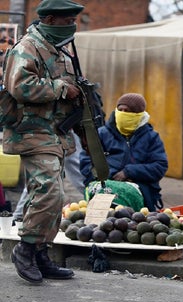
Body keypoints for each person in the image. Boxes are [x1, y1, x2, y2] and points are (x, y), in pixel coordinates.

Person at [2, 0, 85, 283]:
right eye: (66, 21)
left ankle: (39, 252)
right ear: (49, 19)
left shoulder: (56, 49)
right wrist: (62, 89)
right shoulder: (27, 47)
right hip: (31, 131)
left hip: (53, 133)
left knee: (55, 195)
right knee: (48, 190)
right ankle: (25, 249)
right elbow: (20, 86)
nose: (72, 26)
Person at [80, 93, 168, 211]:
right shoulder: (101, 134)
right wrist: (108, 175)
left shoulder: (151, 138)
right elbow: (86, 161)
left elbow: (159, 166)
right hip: (103, 184)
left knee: (128, 212)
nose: (122, 113)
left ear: (138, 114)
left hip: (139, 186)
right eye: (120, 109)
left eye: (127, 111)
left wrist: (129, 172)